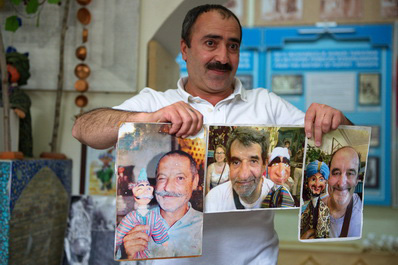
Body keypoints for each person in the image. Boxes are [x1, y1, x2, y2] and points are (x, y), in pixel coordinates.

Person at [72, 4, 352, 264]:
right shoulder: (155, 102)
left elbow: (348, 147)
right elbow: (83, 128)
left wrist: (339, 120)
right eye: (210, 43)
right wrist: (145, 119)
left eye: (232, 46)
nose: (223, 57)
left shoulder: (266, 103)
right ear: (185, 48)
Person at [117, 150, 203, 260]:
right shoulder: (133, 223)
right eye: (162, 178)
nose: (168, 187)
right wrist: (127, 257)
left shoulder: (205, 226)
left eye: (180, 178)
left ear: (195, 181)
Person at [205, 127, 275, 212]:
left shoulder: (277, 196)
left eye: (253, 161)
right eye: (236, 162)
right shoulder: (214, 199)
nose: (243, 175)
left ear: (264, 164)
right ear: (229, 164)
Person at [115, 168, 169, 260]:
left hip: (147, 254)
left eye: (148, 189)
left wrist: (166, 249)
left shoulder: (153, 216)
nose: (145, 192)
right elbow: (118, 236)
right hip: (131, 253)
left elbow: (160, 234)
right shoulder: (131, 217)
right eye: (141, 188)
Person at [322, 146, 362, 238]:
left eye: (350, 173)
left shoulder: (361, 216)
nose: (341, 184)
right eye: (336, 173)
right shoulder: (313, 210)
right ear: (328, 177)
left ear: (357, 180)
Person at [300, 160, 330, 239]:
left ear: (325, 182)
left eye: (321, 180)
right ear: (307, 182)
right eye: (313, 179)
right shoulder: (304, 208)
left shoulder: (326, 209)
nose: (317, 184)